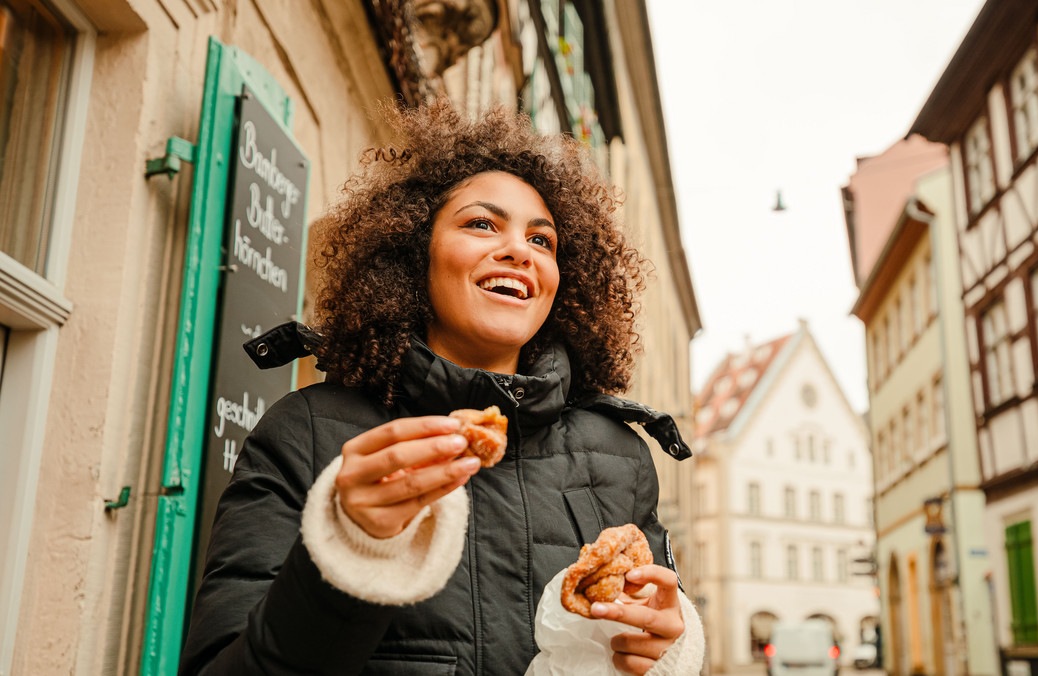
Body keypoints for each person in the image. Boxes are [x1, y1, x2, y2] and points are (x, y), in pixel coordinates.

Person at [179, 99, 705, 675]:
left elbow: (647, 626)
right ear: (413, 254)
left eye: (542, 240)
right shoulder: (304, 433)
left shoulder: (620, 456)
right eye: (482, 224)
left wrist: (664, 652)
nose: (518, 252)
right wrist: (353, 552)